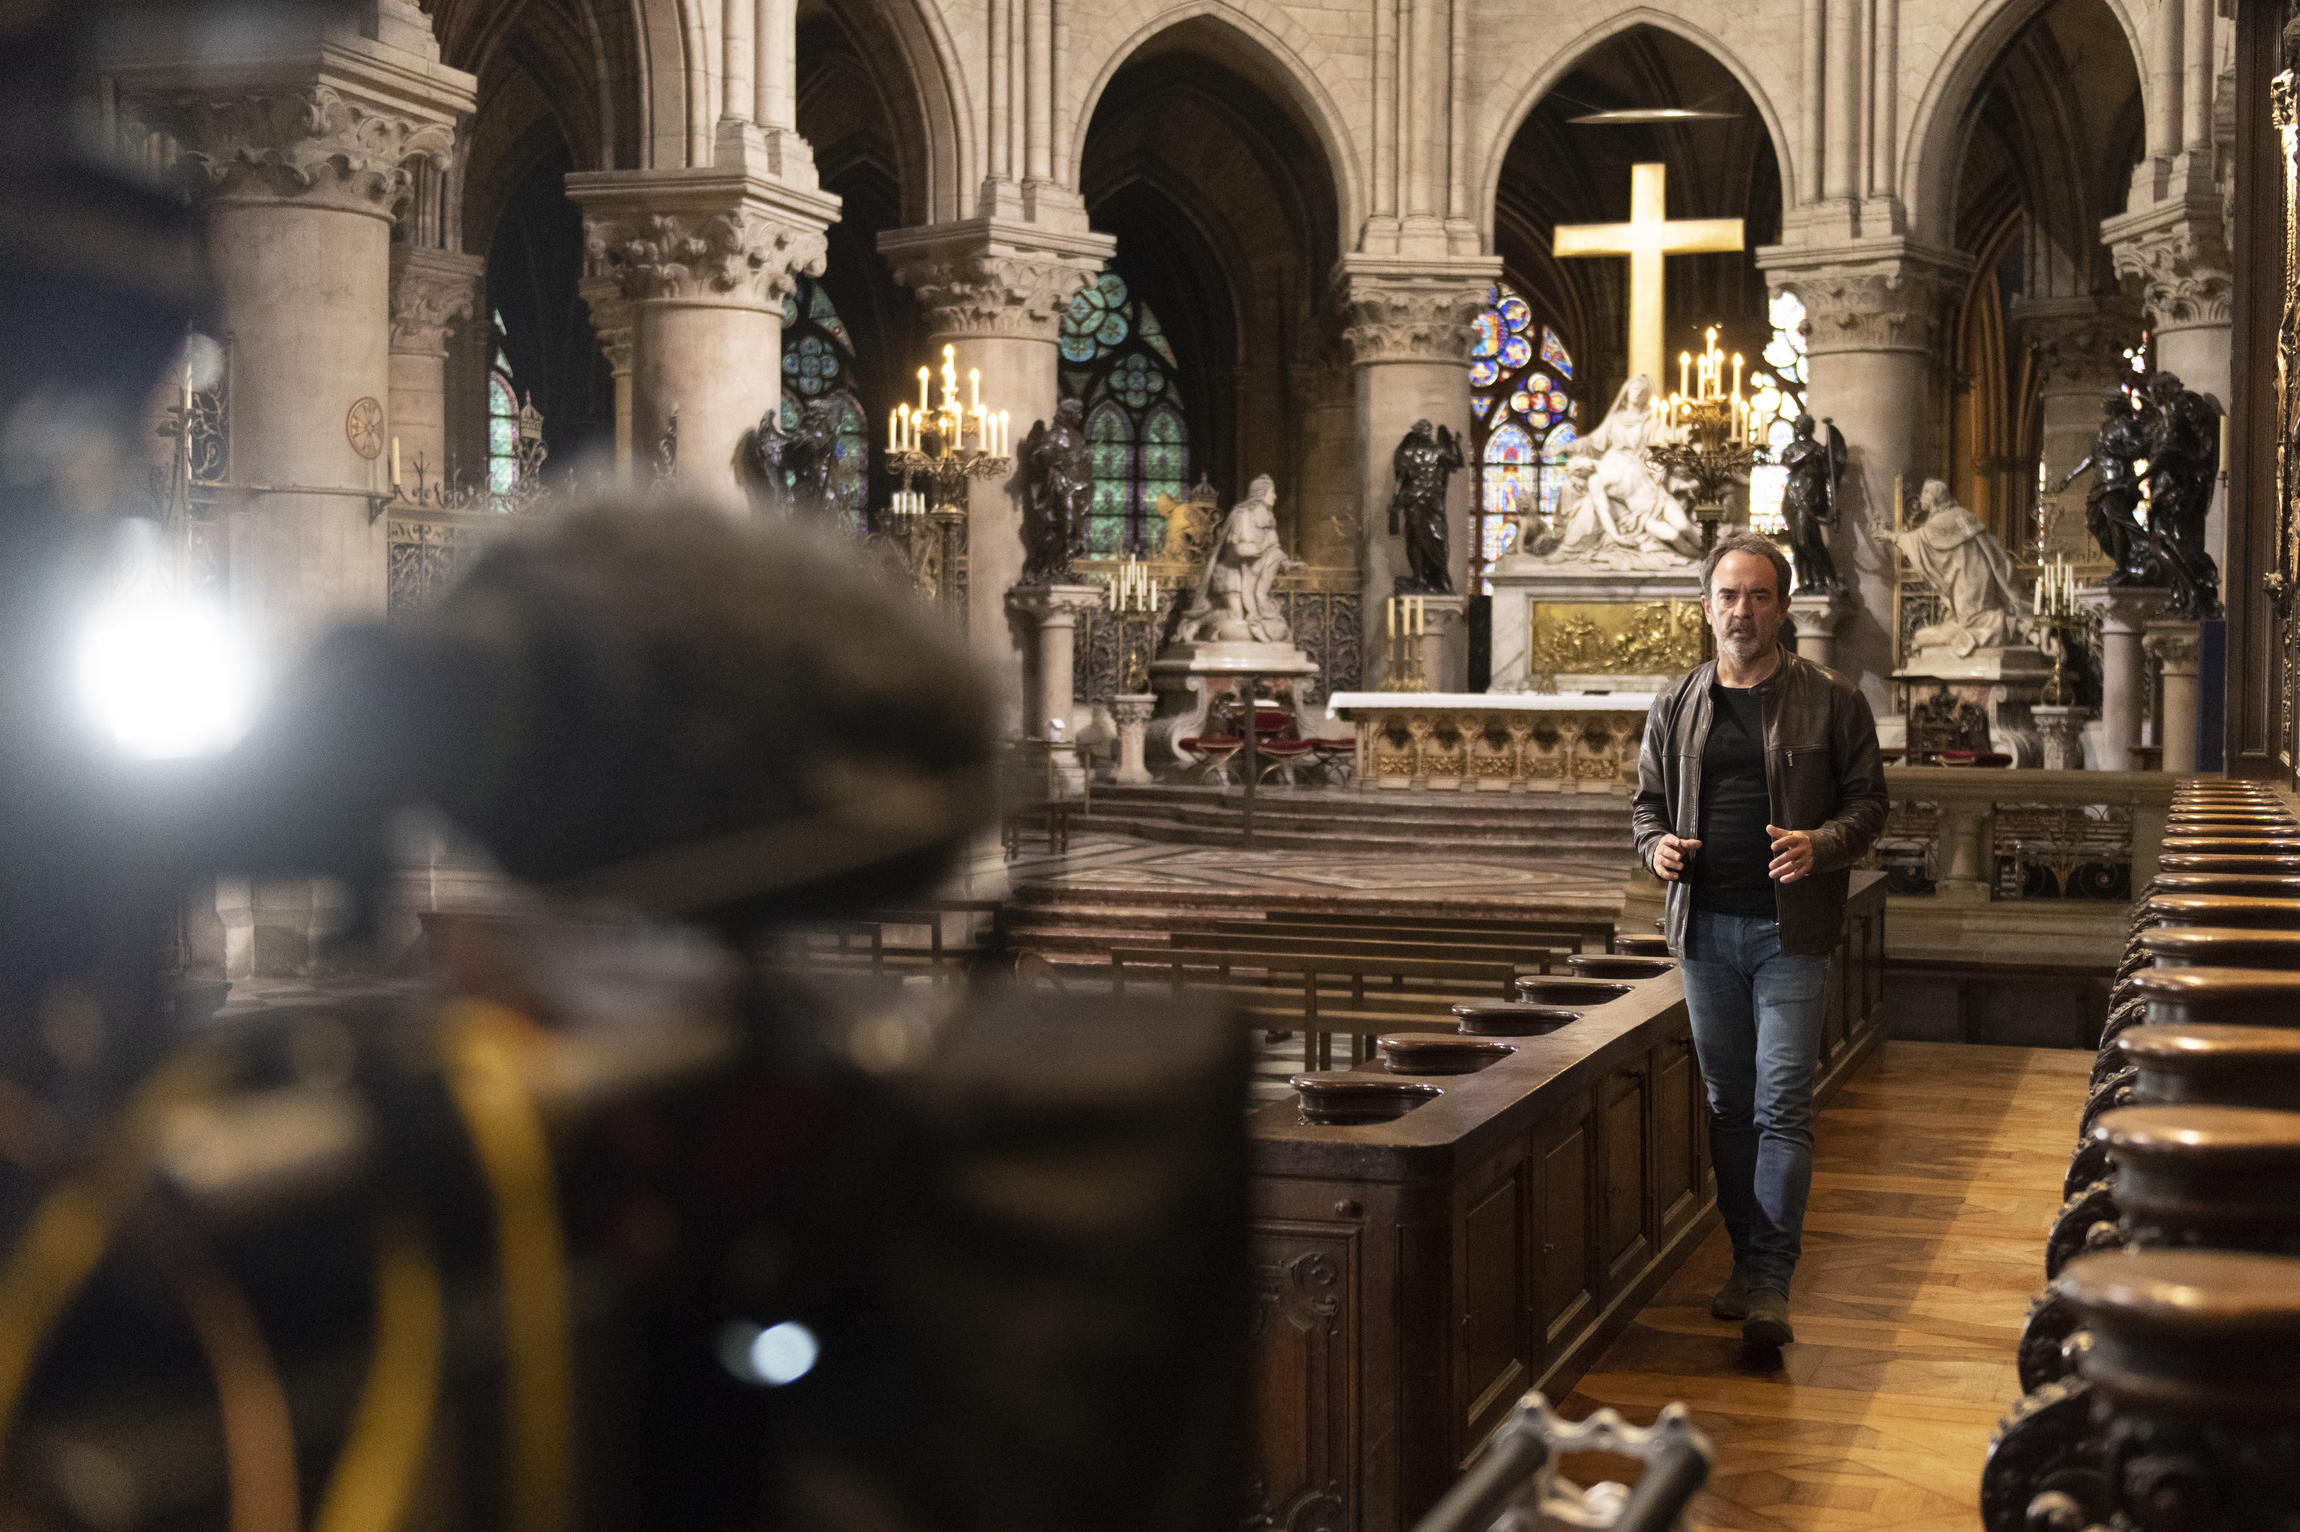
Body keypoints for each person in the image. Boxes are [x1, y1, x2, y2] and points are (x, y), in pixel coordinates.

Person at [1630, 530, 1887, 1347]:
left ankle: (1772, 1280)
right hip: (1704, 930)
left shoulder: (1832, 699)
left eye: (1759, 595)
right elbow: (1644, 808)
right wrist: (1656, 847)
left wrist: (1821, 844)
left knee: (1782, 1106)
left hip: (1791, 931)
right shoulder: (1676, 703)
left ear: (1782, 606)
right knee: (1728, 1105)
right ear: (1705, 609)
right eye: (1729, 596)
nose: (1743, 611)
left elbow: (1871, 805)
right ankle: (1747, 1264)